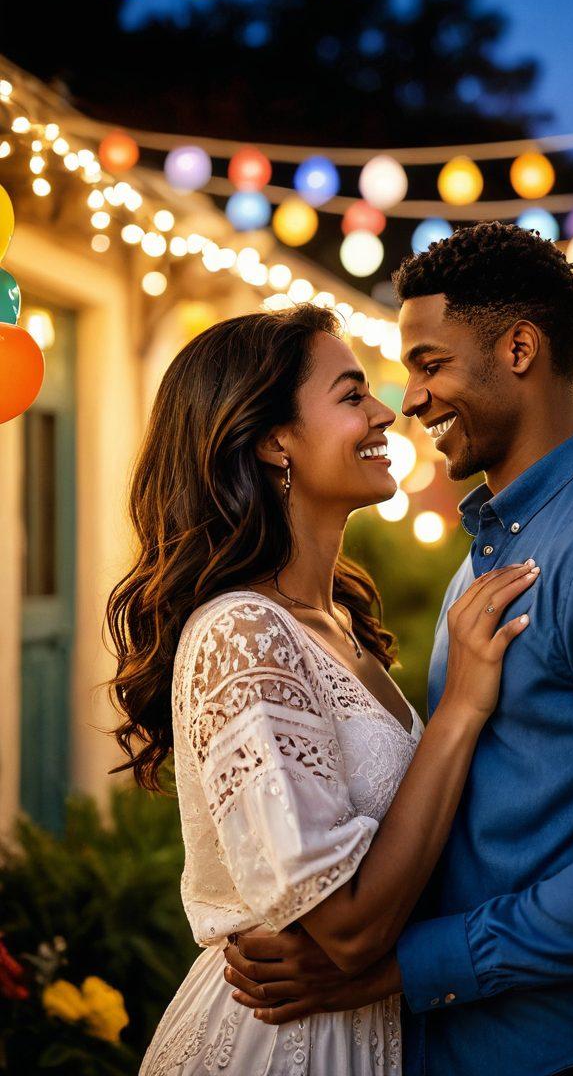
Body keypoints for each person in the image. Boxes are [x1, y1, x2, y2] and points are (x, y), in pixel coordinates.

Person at [225, 222, 573, 1076]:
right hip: (457, 1046)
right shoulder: (483, 559)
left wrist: (407, 966)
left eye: (430, 364)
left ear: (521, 349)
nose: (411, 399)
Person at [106, 303, 538, 1075]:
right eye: (351, 396)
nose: (387, 411)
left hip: (369, 1028)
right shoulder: (242, 631)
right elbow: (344, 928)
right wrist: (463, 709)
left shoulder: (335, 619)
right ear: (274, 439)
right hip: (281, 1041)